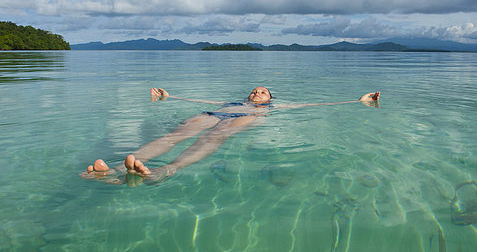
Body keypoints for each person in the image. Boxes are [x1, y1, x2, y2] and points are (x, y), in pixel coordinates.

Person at [81, 86, 380, 185]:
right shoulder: (230, 102)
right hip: (217, 113)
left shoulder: (272, 107)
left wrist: (359, 101)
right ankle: (120, 168)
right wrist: (166, 96)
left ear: (270, 98)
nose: (257, 92)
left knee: (215, 137)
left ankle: (164, 171)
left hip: (240, 121)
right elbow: (194, 101)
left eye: (262, 91)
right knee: (178, 133)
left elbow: (318, 105)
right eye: (254, 89)